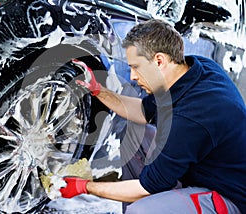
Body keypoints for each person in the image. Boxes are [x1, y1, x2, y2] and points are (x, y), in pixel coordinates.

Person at [59, 19, 246, 214]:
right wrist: (98, 90)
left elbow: (146, 187)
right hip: (202, 171)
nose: (132, 76)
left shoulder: (192, 118)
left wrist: (85, 187)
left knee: (142, 210)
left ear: (159, 61)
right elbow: (142, 111)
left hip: (228, 197)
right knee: (134, 136)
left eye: (136, 67)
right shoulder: (197, 69)